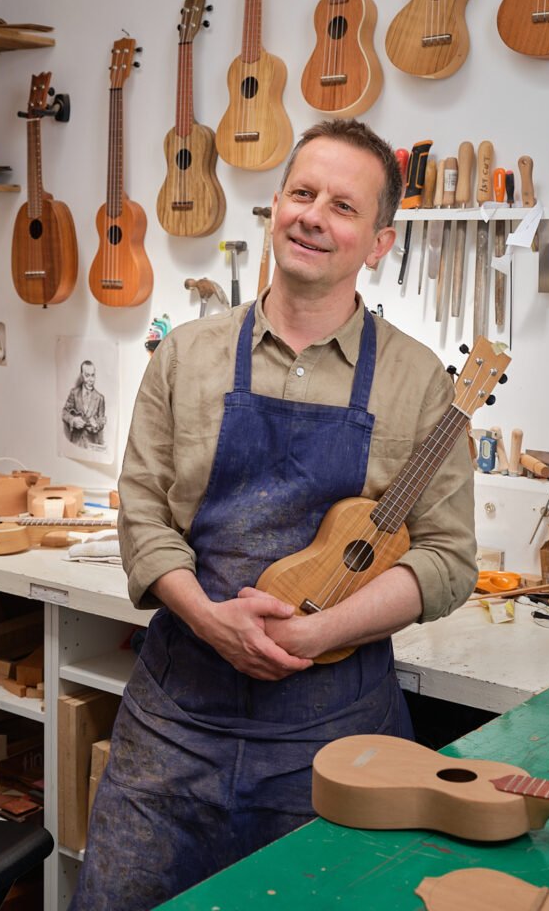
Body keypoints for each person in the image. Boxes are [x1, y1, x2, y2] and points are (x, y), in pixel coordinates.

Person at [72, 119, 477, 911]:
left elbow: (447, 558)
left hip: (335, 740)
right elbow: (143, 517)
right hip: (172, 732)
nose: (313, 216)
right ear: (274, 209)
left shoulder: (420, 381)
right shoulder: (185, 356)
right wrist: (210, 617)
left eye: (342, 206)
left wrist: (319, 633)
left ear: (379, 243)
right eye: (301, 192)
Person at [61, 360, 106, 448]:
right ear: (82, 376)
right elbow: (64, 412)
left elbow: (101, 421)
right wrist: (73, 420)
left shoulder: (100, 398)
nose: (91, 380)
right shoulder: (74, 393)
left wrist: (96, 426)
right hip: (74, 444)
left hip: (92, 445)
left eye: (93, 375)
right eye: (87, 375)